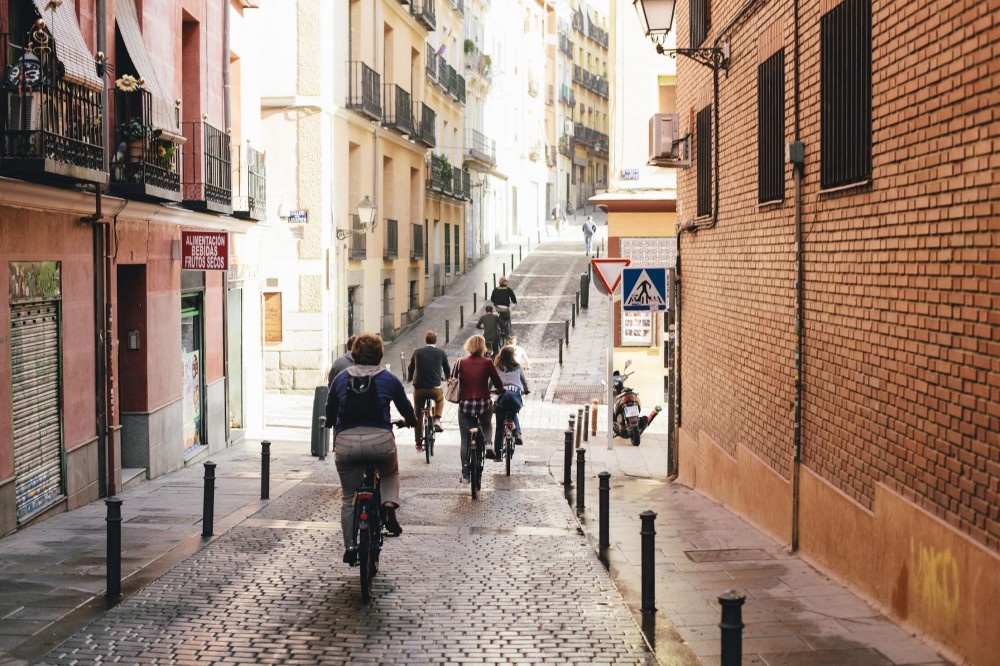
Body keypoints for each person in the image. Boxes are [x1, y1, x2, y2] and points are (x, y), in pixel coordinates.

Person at [324, 334, 417, 564]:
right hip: (380, 442)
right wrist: (411, 421)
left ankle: (349, 547)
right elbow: (406, 408)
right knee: (389, 472)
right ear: (379, 354)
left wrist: (330, 423)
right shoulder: (389, 378)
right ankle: (388, 506)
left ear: (354, 353)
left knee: (348, 498)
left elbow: (330, 410)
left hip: (346, 444)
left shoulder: (341, 379)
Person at [454, 334, 505, 482]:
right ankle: (488, 444)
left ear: (468, 346)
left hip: (466, 404)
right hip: (483, 403)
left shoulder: (460, 362)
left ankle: (465, 473)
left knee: (465, 440)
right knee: (487, 423)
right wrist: (501, 390)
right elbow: (497, 381)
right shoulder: (488, 362)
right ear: (483, 347)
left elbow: (451, 379)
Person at [406, 329, 450, 451]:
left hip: (419, 388)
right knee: (440, 399)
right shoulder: (441, 352)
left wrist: (410, 378)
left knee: (418, 415)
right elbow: (446, 368)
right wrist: (447, 378)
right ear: (436, 341)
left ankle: (418, 443)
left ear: (425, 340)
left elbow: (411, 367)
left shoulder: (417, 352)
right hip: (434, 388)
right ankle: (436, 418)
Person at [492, 345, 529, 456]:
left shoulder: (497, 367)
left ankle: (498, 453)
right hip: (515, 395)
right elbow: (524, 381)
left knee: (499, 426)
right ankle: (517, 433)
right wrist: (526, 390)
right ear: (513, 356)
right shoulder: (517, 366)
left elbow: (491, 381)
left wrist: (489, 389)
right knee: (513, 413)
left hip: (502, 395)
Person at [489, 276, 518, 340]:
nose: (507, 283)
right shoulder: (508, 289)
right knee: (507, 317)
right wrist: (514, 302)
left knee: (501, 315)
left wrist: (496, 302)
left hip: (497, 307)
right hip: (505, 307)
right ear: (504, 282)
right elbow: (513, 297)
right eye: (506, 282)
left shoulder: (496, 289)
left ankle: (498, 325)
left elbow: (492, 299)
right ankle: (505, 332)